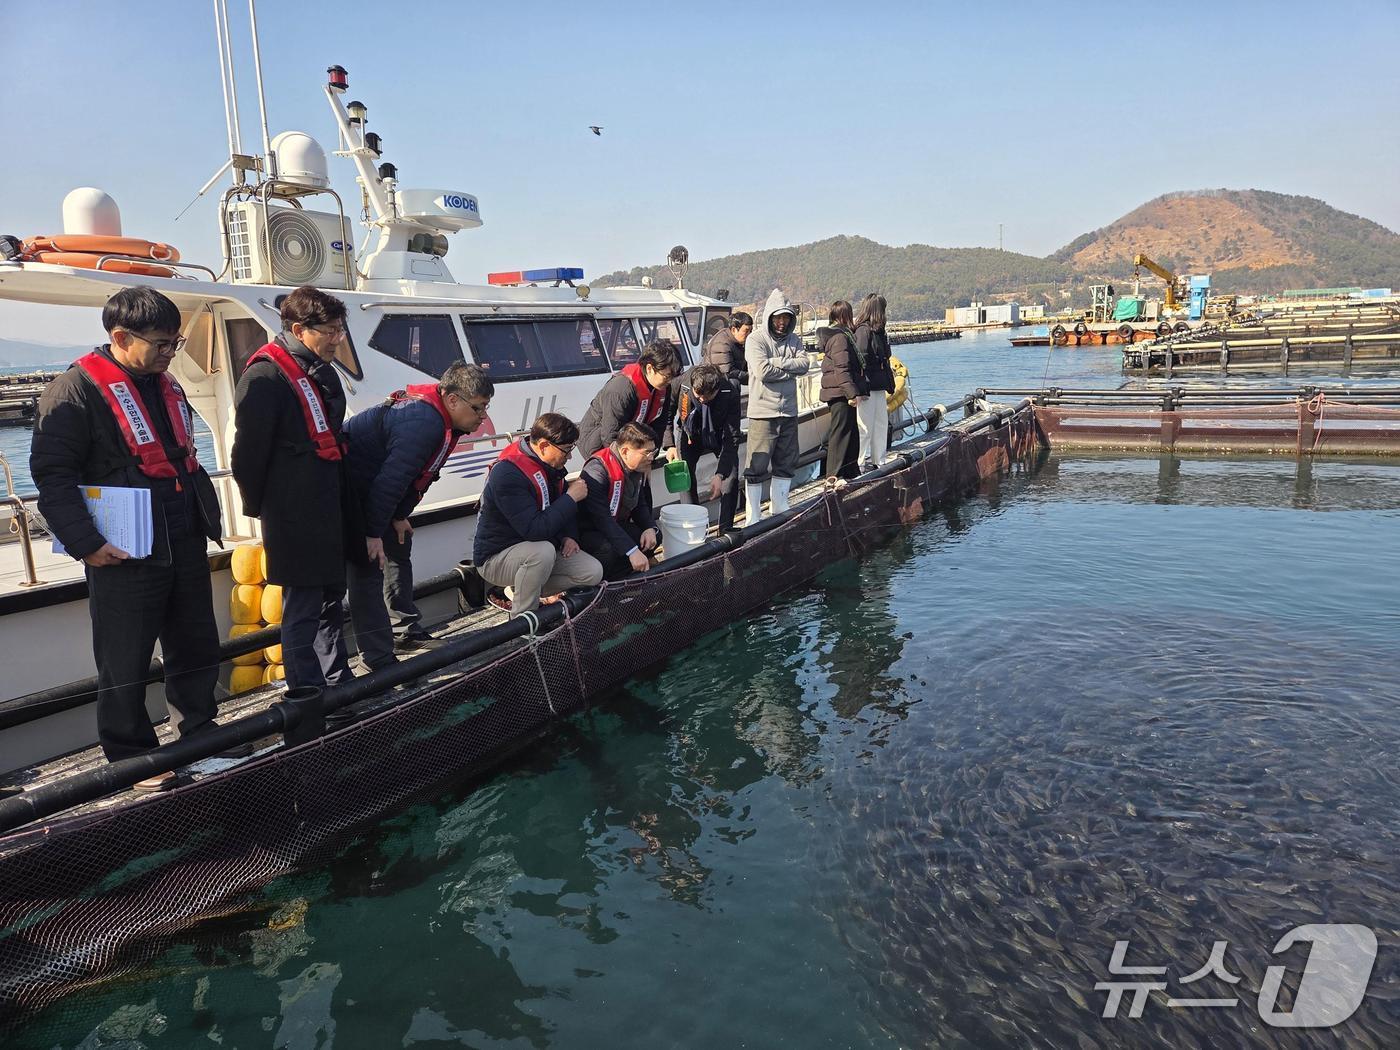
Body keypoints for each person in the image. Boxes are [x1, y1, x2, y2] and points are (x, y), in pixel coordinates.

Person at [30, 285, 233, 790]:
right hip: (120, 551)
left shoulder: (165, 384)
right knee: (125, 656)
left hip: (181, 537)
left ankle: (199, 734)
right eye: (162, 344)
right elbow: (52, 476)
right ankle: (130, 756)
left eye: (175, 343)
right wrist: (85, 542)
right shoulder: (74, 392)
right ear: (121, 337)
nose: (170, 353)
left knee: (195, 644)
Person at [232, 285, 358, 692]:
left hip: (326, 503)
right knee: (302, 605)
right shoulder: (266, 376)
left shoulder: (317, 370)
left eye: (341, 330)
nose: (337, 339)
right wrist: (263, 506)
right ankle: (306, 691)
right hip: (292, 510)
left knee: (330, 599)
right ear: (300, 329)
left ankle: (336, 679)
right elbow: (248, 453)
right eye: (331, 331)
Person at [343, 362, 494, 664]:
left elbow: (409, 478)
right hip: (349, 492)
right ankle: (377, 657)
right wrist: (372, 533)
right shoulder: (425, 423)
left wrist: (399, 516)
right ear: (452, 400)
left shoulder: (442, 421)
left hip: (371, 492)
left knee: (399, 543)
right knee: (368, 566)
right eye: (478, 409)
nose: (482, 418)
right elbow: (390, 482)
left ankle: (404, 632)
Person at [473, 412, 604, 616]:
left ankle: (521, 589)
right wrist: (571, 498)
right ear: (544, 446)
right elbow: (535, 530)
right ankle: (523, 623)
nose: (569, 456)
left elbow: (560, 504)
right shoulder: (507, 473)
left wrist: (569, 536)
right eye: (567, 450)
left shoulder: (551, 464)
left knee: (592, 572)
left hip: (539, 550)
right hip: (497, 557)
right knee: (541, 552)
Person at [743, 289, 810, 524]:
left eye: (786, 318)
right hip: (763, 413)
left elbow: (804, 364)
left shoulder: (794, 340)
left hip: (789, 411)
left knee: (786, 460)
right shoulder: (755, 339)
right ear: (769, 317)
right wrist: (787, 371)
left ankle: (779, 507)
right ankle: (753, 516)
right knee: (757, 464)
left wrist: (778, 363)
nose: (782, 322)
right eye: (777, 318)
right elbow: (762, 371)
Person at [577, 422, 661, 580]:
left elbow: (639, 503)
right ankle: (608, 584)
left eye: (654, 452)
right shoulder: (597, 470)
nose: (652, 458)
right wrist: (631, 550)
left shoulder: (637, 468)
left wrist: (649, 527)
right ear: (625, 451)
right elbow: (602, 519)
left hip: (614, 523)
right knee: (608, 549)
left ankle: (630, 573)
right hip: (590, 530)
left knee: (653, 536)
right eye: (647, 453)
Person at [578, 339, 682, 459]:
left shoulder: (663, 386)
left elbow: (660, 423)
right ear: (649, 368)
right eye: (667, 376)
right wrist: (626, 465)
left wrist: (651, 457)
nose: (670, 381)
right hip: (598, 441)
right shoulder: (621, 388)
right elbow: (610, 435)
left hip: (630, 438)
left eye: (673, 376)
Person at [671, 362, 742, 532]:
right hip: (690, 434)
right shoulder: (682, 383)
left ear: (717, 389)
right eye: (698, 396)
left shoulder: (729, 391)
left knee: (730, 476)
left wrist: (720, 473)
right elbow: (668, 410)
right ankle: (694, 528)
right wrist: (669, 444)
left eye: (707, 397)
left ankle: (725, 529)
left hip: (718, 434)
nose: (702, 400)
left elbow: (731, 437)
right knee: (685, 476)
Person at [818, 300, 865, 480]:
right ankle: (833, 474)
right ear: (846, 315)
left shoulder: (835, 335)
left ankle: (850, 470)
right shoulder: (840, 337)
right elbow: (842, 368)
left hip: (837, 390)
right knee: (840, 433)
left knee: (850, 431)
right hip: (839, 392)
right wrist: (851, 393)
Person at [854, 293, 895, 469]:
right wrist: (860, 388)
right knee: (865, 427)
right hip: (867, 386)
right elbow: (860, 358)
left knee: (880, 424)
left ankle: (879, 459)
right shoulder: (863, 331)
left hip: (878, 385)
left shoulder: (879, 332)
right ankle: (860, 463)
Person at [704, 311, 752, 390]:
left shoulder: (739, 342)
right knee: (733, 382)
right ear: (734, 330)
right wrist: (752, 377)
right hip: (714, 386)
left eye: (751, 331)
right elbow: (727, 372)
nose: (749, 334)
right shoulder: (721, 344)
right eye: (746, 331)